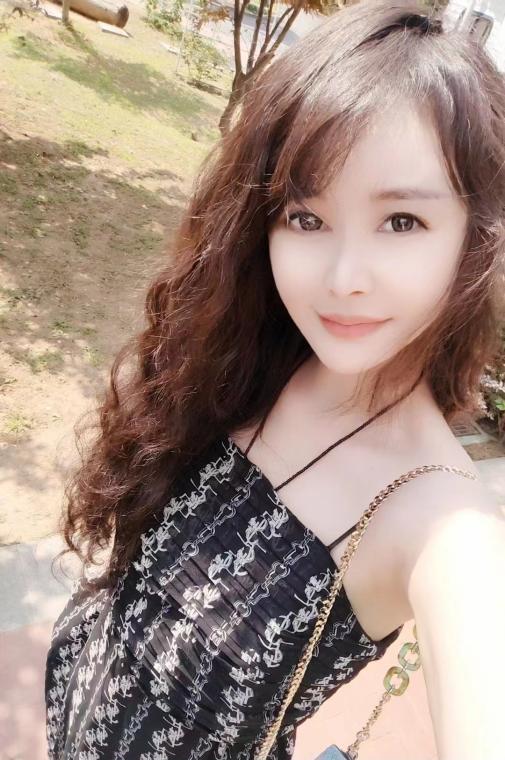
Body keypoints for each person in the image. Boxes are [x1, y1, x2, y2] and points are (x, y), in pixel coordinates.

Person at [45, 1, 505, 758]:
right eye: (305, 217)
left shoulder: (443, 526)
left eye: (401, 222)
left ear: (474, 239)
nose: (343, 278)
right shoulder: (249, 355)